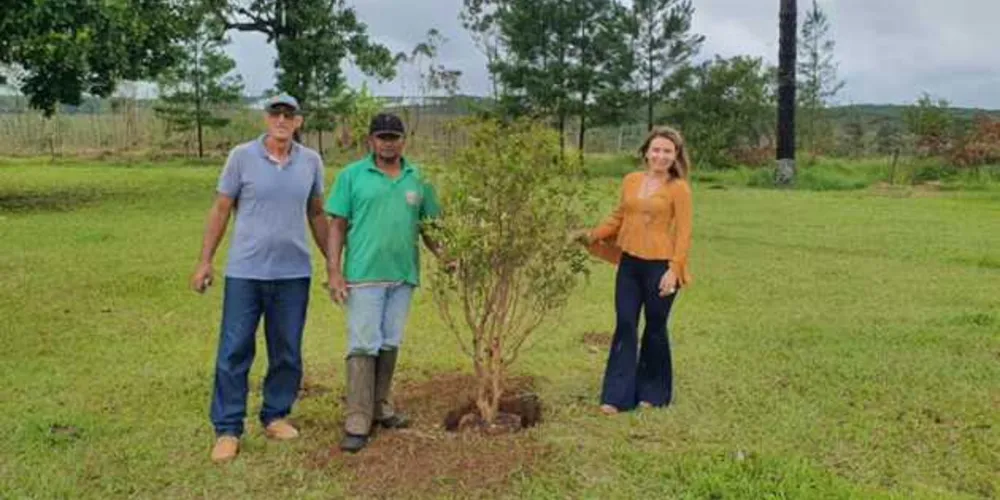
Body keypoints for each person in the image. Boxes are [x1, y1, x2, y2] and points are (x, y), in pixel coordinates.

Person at [189, 93, 329, 463]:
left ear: (298, 121)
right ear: (266, 118)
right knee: (234, 349)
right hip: (246, 272)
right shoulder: (241, 157)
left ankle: (275, 415)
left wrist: (334, 262)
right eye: (275, 113)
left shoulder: (311, 162)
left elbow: (316, 213)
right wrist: (205, 261)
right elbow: (221, 208)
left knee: (287, 349)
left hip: (293, 273)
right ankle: (227, 429)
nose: (282, 120)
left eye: (289, 115)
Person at [325, 112, 450, 452]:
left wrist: (446, 256)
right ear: (371, 140)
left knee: (390, 340)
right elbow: (337, 225)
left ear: (403, 141)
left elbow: (429, 227)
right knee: (363, 343)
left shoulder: (417, 178)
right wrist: (334, 271)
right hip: (364, 275)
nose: (388, 143)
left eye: (394, 137)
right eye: (382, 137)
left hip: (402, 276)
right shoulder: (352, 176)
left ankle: (380, 407)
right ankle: (357, 418)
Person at [573, 125, 694, 415]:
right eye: (656, 150)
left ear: (676, 155)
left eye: (668, 151)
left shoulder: (679, 188)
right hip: (629, 264)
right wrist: (590, 235)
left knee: (655, 327)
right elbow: (619, 217)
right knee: (625, 324)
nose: (661, 156)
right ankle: (617, 396)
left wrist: (674, 270)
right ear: (646, 152)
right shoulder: (631, 180)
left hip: (660, 267)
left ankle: (653, 392)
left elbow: (684, 233)